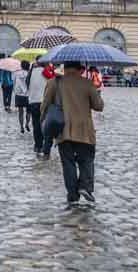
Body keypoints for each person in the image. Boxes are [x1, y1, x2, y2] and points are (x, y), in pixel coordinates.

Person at [43, 62, 103, 208]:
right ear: (79, 68)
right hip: (85, 131)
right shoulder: (87, 83)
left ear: (65, 67)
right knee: (87, 160)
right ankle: (85, 186)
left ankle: (72, 195)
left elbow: (45, 105)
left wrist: (43, 124)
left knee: (67, 163)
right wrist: (96, 92)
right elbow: (99, 106)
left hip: (63, 130)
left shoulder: (54, 83)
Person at [27, 59, 55, 159]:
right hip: (44, 101)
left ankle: (38, 146)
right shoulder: (47, 71)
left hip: (33, 101)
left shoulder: (31, 71)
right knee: (46, 126)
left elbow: (27, 84)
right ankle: (45, 146)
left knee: (36, 125)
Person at [13, 62, 31, 133]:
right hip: (28, 94)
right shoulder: (29, 73)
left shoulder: (16, 73)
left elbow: (14, 82)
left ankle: (21, 127)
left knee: (20, 112)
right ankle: (27, 123)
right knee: (28, 111)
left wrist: (15, 90)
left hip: (19, 94)